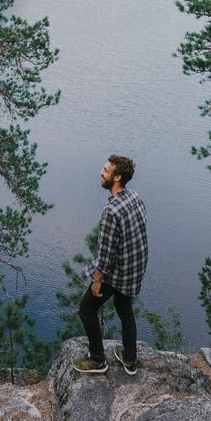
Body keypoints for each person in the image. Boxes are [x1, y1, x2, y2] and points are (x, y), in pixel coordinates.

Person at [73, 154, 148, 375]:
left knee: (86, 309)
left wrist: (97, 282)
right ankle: (130, 359)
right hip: (136, 266)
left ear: (116, 177)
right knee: (124, 307)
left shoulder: (111, 211)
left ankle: (97, 360)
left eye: (105, 170)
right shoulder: (134, 196)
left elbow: (105, 255)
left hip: (119, 271)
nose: (100, 172)